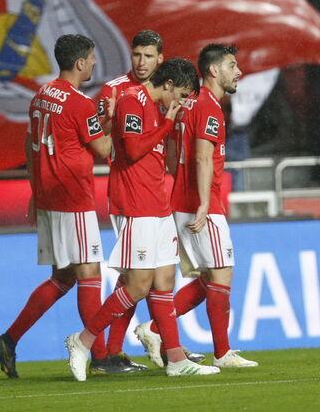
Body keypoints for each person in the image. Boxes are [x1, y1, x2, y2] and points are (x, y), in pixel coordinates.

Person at [64, 59, 218, 381]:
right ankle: (84, 340)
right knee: (137, 285)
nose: (183, 102)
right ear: (168, 84)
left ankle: (175, 359)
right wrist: (166, 123)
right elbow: (132, 150)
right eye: (182, 94)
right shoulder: (133, 101)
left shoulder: (156, 106)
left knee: (164, 282)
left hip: (157, 205)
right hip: (135, 205)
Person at [0, 34, 113, 379]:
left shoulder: (42, 96)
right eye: (90, 58)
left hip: (49, 198)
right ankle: (100, 355)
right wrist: (113, 122)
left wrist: (34, 190)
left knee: (62, 277)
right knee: (90, 274)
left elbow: (32, 144)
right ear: (79, 64)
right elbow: (102, 149)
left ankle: (8, 339)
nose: (93, 63)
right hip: (73, 199)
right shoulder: (79, 103)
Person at [135, 44, 258, 369]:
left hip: (182, 199)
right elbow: (203, 155)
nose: (239, 71)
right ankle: (221, 352)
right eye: (233, 65)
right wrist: (204, 202)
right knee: (221, 274)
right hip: (202, 203)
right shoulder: (209, 107)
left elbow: (174, 151)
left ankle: (155, 327)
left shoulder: (188, 104)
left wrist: (180, 188)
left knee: (210, 277)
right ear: (214, 70)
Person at [90, 29, 166, 374]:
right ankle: (104, 348)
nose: (141, 62)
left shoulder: (163, 90)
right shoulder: (112, 90)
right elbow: (96, 140)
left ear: (160, 58)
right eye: (137, 55)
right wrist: (106, 118)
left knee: (141, 279)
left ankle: (122, 350)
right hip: (127, 193)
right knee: (134, 279)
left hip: (153, 193)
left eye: (148, 56)